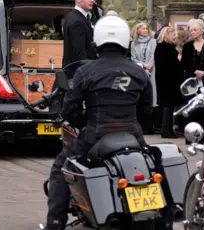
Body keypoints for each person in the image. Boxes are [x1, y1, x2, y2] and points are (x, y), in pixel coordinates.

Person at [42, 15, 153, 230]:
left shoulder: (87, 71)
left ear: (97, 43)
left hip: (96, 135)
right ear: (125, 42)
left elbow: (69, 110)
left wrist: (84, 121)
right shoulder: (139, 72)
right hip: (133, 135)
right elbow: (147, 111)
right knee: (151, 164)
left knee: (61, 167)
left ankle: (55, 223)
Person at [62, 0, 97, 67]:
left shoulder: (78, 17)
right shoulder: (76, 21)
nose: (92, 0)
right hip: (79, 72)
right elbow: (79, 53)